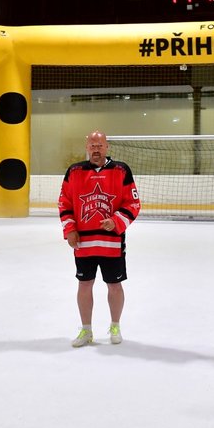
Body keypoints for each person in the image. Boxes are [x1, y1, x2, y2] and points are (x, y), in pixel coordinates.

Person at [58, 130, 140, 347]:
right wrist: (70, 229)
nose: (96, 148)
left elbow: (133, 204)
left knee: (114, 285)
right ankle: (86, 331)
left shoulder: (121, 170)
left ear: (107, 147)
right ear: (87, 147)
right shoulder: (74, 171)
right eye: (92, 145)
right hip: (83, 243)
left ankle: (115, 325)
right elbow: (64, 203)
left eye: (100, 145)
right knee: (84, 284)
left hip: (111, 243)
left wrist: (116, 221)